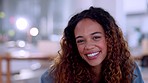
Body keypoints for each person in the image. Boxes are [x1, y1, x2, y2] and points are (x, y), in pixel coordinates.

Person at [41, 6, 144, 83]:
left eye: (96, 37)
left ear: (110, 39)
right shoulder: (52, 77)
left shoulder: (130, 70)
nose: (89, 46)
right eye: (81, 41)